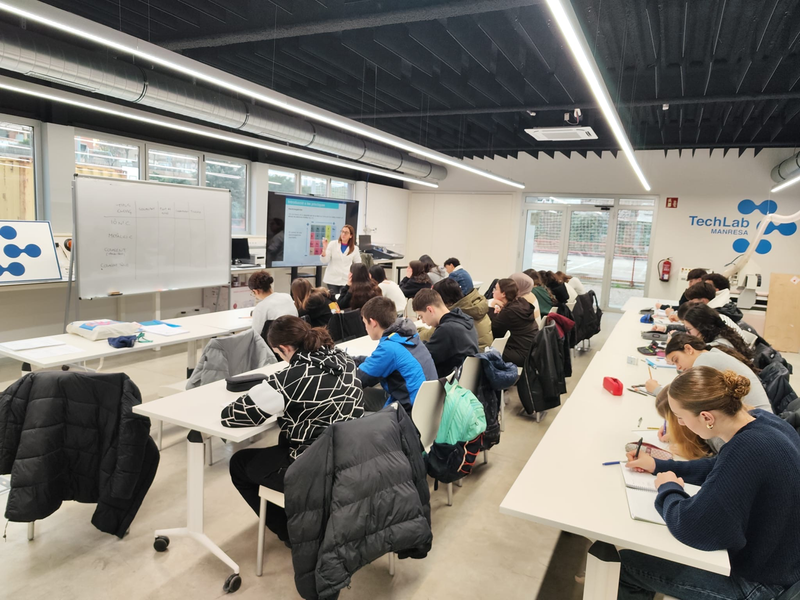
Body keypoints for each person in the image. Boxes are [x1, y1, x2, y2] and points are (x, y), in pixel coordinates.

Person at [620, 367, 800, 600]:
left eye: (681, 417)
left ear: (706, 417)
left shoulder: (748, 448)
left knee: (627, 564)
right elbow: (720, 467)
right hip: (785, 566)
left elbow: (695, 527)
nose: (680, 424)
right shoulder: (763, 422)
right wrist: (659, 466)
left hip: (763, 585)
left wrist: (668, 490)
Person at [223, 316, 364, 544]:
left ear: (284, 348)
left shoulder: (290, 379)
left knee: (239, 463)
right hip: (351, 457)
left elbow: (233, 416)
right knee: (282, 441)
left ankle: (292, 535)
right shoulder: (343, 359)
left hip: (315, 468)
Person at [648, 334, 772, 451]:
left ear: (688, 349)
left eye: (676, 360)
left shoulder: (702, 364)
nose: (678, 367)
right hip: (762, 421)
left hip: (753, 430)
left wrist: (680, 435)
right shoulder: (711, 353)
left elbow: (682, 399)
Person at [355, 296, 437, 413]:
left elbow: (358, 379)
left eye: (365, 323)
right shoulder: (408, 336)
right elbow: (379, 362)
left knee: (354, 395)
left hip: (408, 414)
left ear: (373, 323)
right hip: (426, 408)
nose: (365, 328)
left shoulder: (389, 349)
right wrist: (358, 360)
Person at [412, 288, 479, 378]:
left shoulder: (446, 330)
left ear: (430, 310)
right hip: (466, 381)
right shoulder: (465, 320)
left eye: (421, 316)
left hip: (449, 385)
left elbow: (424, 358)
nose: (423, 321)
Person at [430, 278, 493, 350]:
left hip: (474, 356)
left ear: (443, 299)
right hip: (483, 353)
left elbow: (432, 335)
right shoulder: (473, 305)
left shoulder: (455, 314)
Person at [487, 278, 538, 367]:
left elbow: (493, 331)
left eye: (496, 289)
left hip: (521, 354)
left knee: (485, 351)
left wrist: (491, 307)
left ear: (503, 294)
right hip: (532, 350)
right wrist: (501, 312)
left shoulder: (510, 311)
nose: (493, 292)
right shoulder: (521, 303)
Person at [654, 384, 712, 460]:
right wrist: (675, 432)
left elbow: (724, 464)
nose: (680, 422)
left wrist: (691, 452)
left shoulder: (715, 437)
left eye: (679, 418)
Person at [682, 303, 753, 360]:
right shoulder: (725, 333)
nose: (687, 333)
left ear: (701, 327)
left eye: (689, 330)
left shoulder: (715, 348)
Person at [249, 270, 298, 337]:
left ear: (256, 291)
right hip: (294, 337)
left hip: (276, 343)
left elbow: (256, 334)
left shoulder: (261, 307)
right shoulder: (287, 296)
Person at [320, 224, 361, 294]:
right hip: (332, 279)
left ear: (351, 235)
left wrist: (354, 277)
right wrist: (324, 249)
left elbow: (358, 264)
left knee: (343, 301)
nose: (343, 234)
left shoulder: (355, 248)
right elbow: (324, 260)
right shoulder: (333, 244)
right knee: (335, 301)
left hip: (346, 280)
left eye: (346, 232)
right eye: (342, 232)